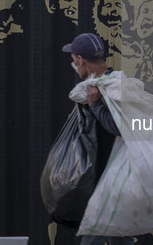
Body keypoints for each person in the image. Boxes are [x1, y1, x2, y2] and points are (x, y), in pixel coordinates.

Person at [61, 33, 135, 245]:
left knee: (99, 236)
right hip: (106, 182)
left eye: (74, 59)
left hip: (113, 182)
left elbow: (119, 127)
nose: (74, 64)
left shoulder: (112, 88)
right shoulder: (96, 86)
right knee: (118, 237)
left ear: (79, 60)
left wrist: (95, 106)